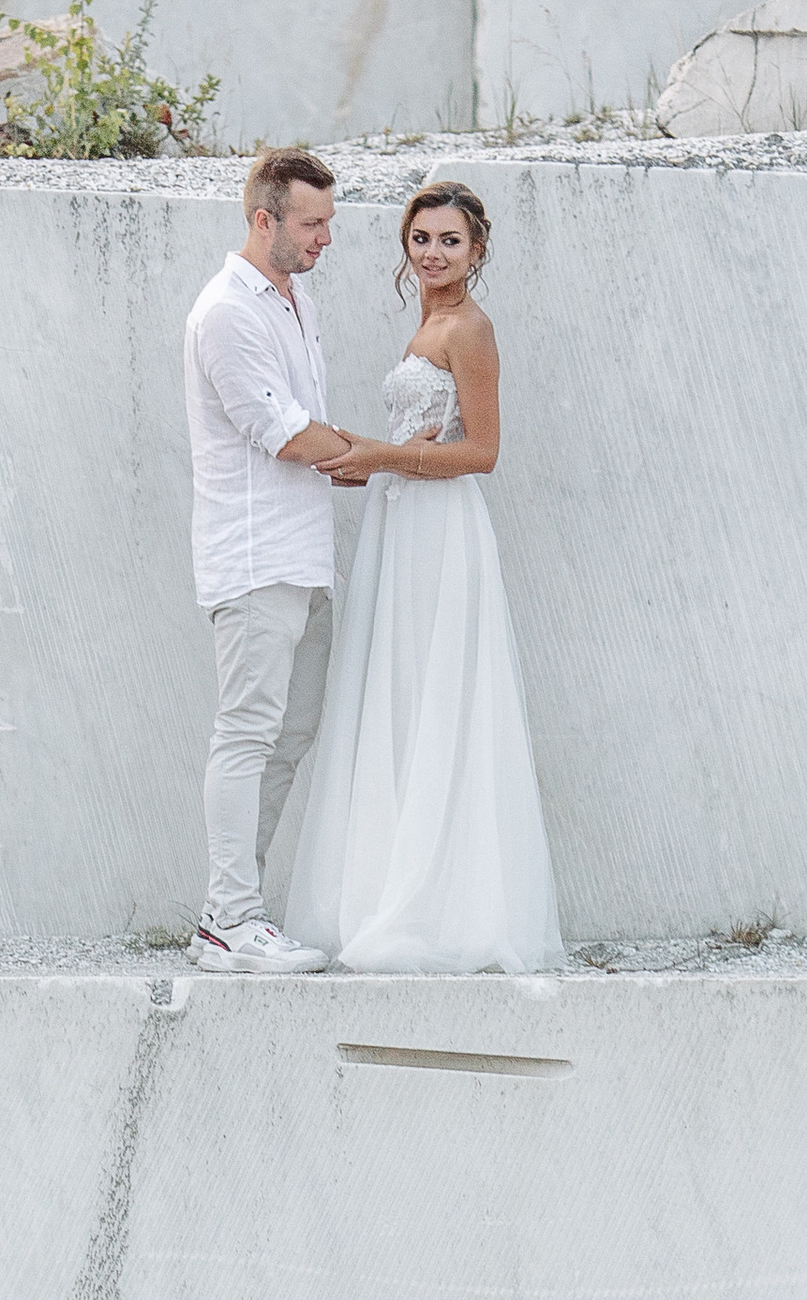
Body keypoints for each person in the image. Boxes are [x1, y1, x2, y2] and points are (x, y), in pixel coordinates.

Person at [286, 181, 565, 977]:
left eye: (449, 240)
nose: (434, 253)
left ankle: (443, 904)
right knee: (397, 695)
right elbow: (422, 433)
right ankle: (391, 887)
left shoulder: (470, 330)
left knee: (439, 695)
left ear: (477, 250)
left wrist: (380, 455)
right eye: (421, 239)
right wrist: (360, 464)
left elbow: (483, 453)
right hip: (400, 521)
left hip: (442, 531)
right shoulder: (428, 324)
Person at [180, 147, 368, 974]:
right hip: (253, 559)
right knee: (248, 733)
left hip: (303, 556)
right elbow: (286, 432)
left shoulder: (296, 299)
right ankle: (230, 917)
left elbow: (308, 424)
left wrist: (367, 458)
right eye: (313, 223)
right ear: (265, 221)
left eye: (329, 222)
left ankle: (236, 917)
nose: (326, 238)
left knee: (289, 737)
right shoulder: (227, 312)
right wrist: (393, 458)